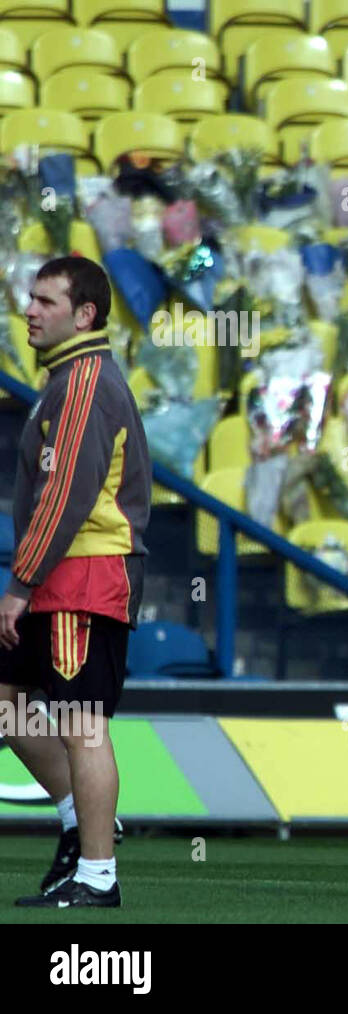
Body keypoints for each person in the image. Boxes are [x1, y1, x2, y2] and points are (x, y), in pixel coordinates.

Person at [0, 256, 150, 908]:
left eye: (46, 300)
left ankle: (98, 874)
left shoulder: (84, 383)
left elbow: (62, 499)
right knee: (6, 703)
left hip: (84, 577)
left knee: (83, 722)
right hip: (64, 577)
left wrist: (19, 582)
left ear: (85, 314)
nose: (30, 310)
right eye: (30, 298)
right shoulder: (69, 379)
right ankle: (81, 825)